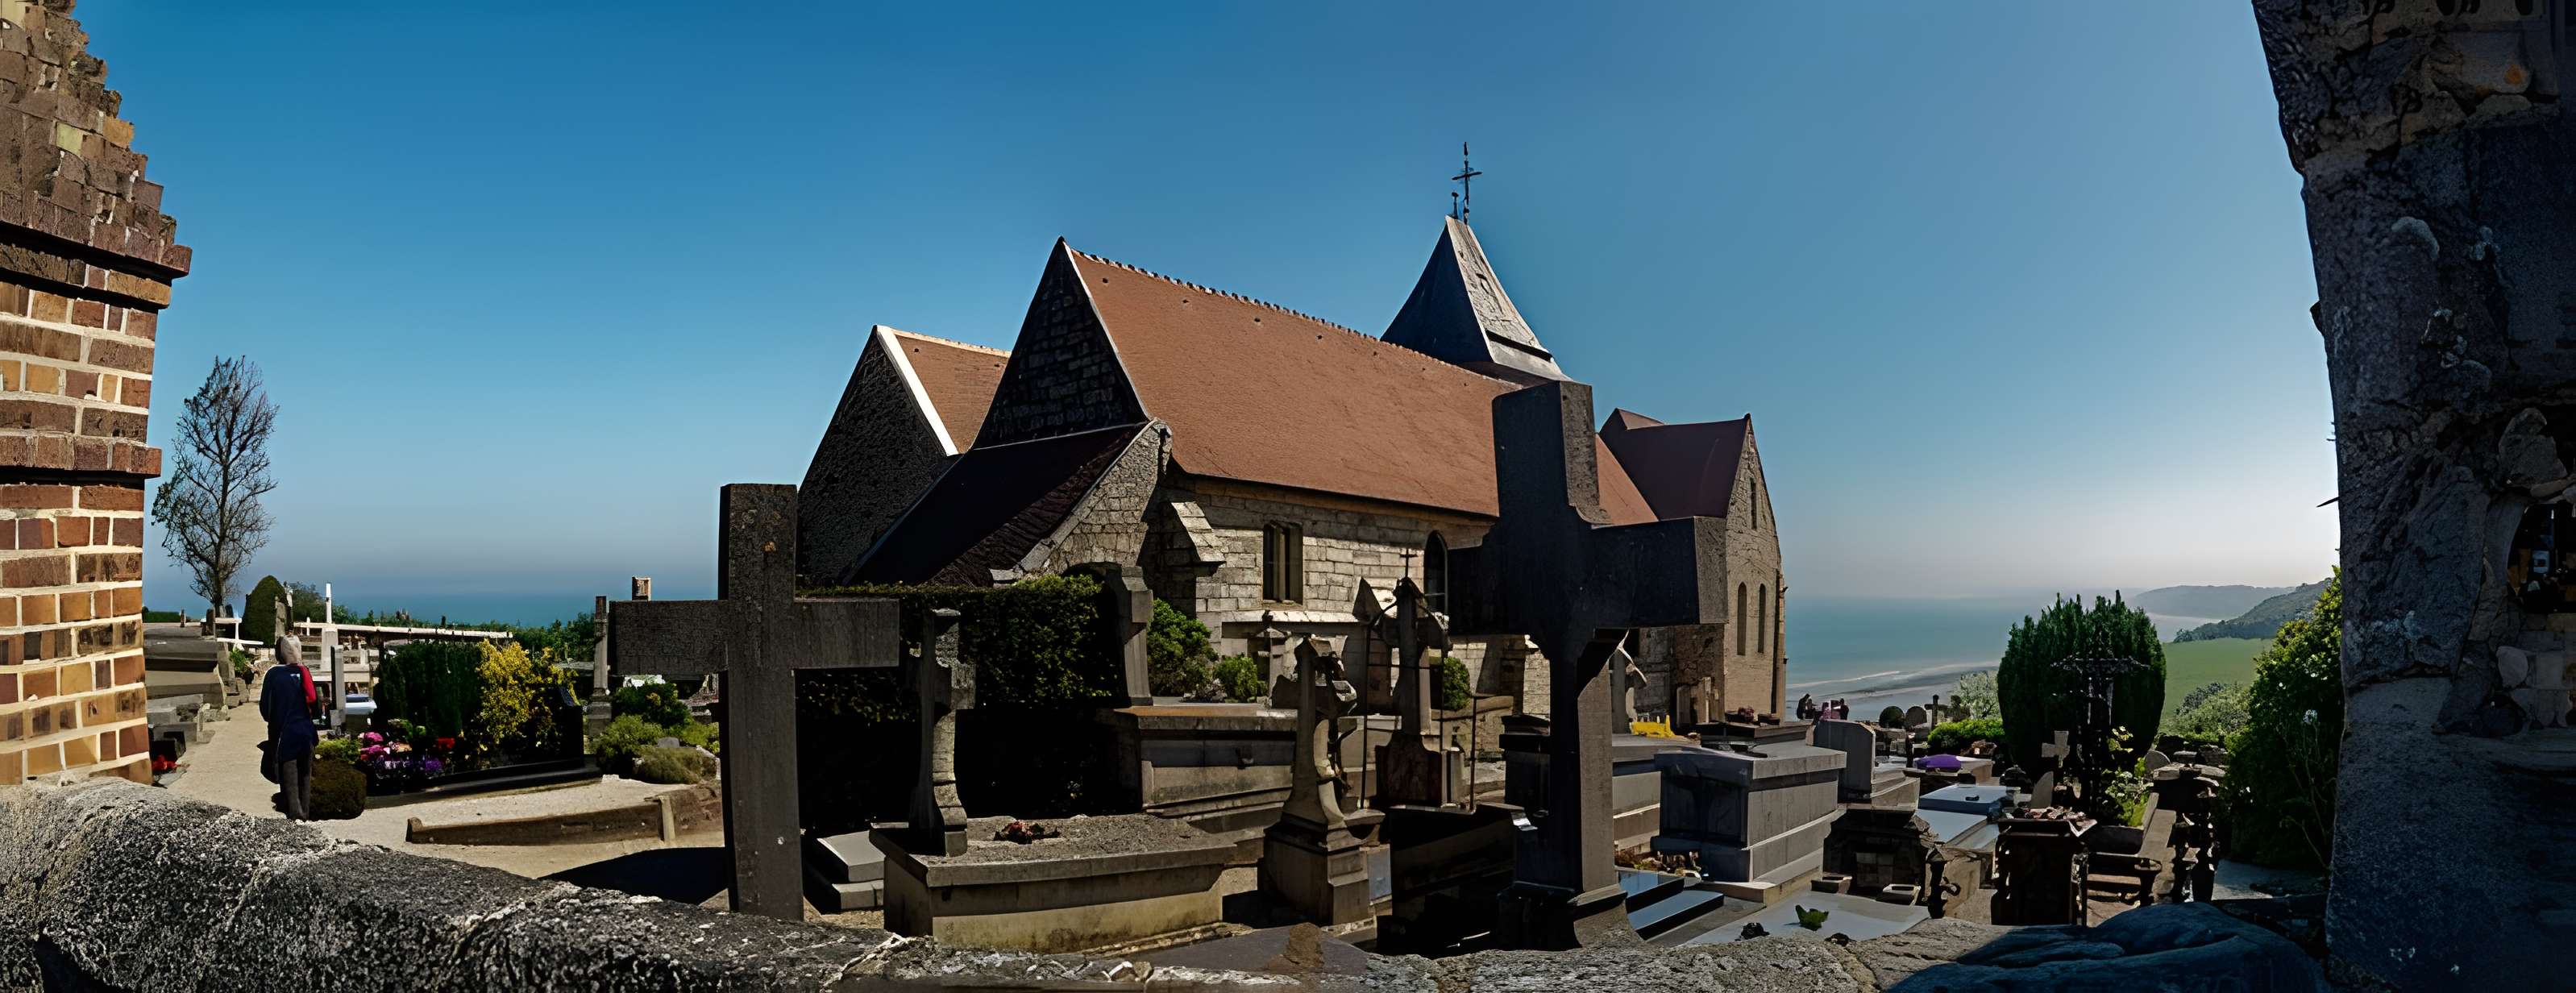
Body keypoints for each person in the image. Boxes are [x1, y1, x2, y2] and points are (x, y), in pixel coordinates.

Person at [260, 635, 320, 821]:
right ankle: (305, 815)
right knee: (305, 778)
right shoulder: (304, 672)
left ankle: (295, 819)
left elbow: (266, 709)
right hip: (306, 732)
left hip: (285, 735)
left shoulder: (273, 674)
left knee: (289, 783)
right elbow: (315, 704)